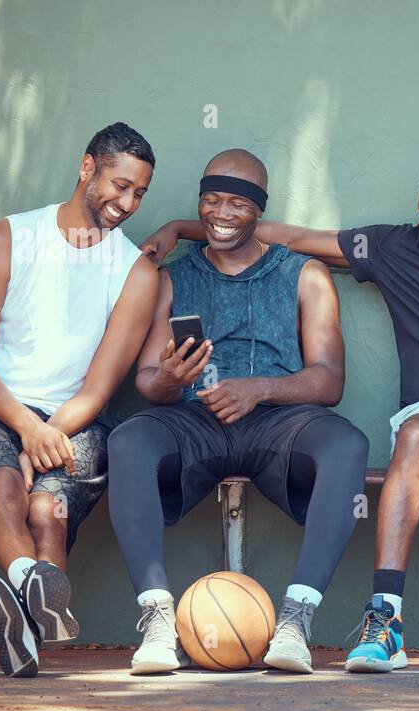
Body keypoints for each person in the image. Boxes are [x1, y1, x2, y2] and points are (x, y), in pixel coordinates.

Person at [142, 140, 419, 673]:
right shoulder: (392, 247)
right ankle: (386, 621)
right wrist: (178, 226)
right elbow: (277, 234)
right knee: (416, 435)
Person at [113, 149, 369, 675]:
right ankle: (158, 622)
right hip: (196, 420)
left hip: (277, 420)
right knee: (128, 440)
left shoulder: (305, 274)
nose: (221, 214)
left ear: (259, 211)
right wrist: (169, 378)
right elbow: (145, 382)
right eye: (211, 200)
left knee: (347, 444)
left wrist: (260, 389)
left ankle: (296, 620)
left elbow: (330, 380)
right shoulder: (173, 277)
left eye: (236, 204)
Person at [0, 122, 160, 677]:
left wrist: (47, 433)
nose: (126, 202)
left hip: (75, 419)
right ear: (87, 167)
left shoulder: (136, 272)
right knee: (3, 484)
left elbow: (99, 388)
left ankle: (22, 623)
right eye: (118, 184)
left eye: (139, 194)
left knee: (46, 510)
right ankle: (38, 608)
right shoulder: (8, 238)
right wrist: (27, 432)